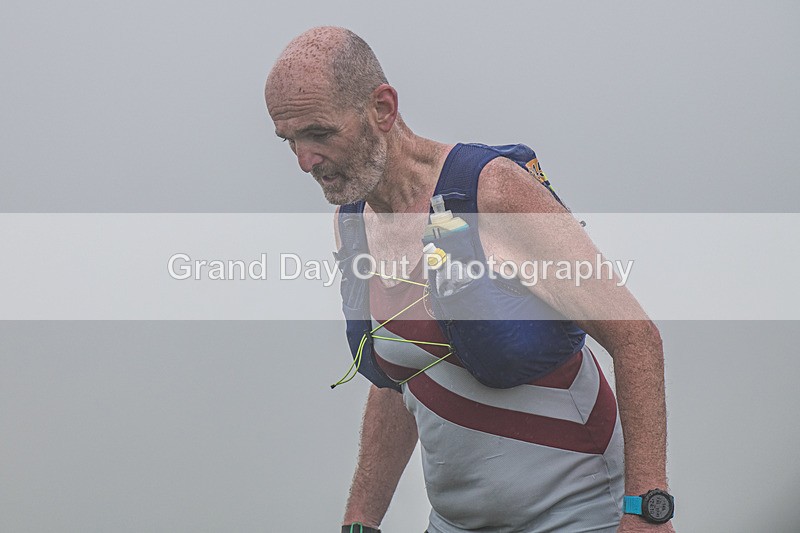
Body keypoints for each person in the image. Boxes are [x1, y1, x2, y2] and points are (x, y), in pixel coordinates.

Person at [265, 26, 675, 533]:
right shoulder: (353, 222)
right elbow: (402, 379)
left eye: (320, 134)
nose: (306, 161)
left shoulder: (492, 191)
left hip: (583, 514)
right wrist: (359, 522)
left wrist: (647, 511)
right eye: (291, 141)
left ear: (383, 108)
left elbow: (635, 336)